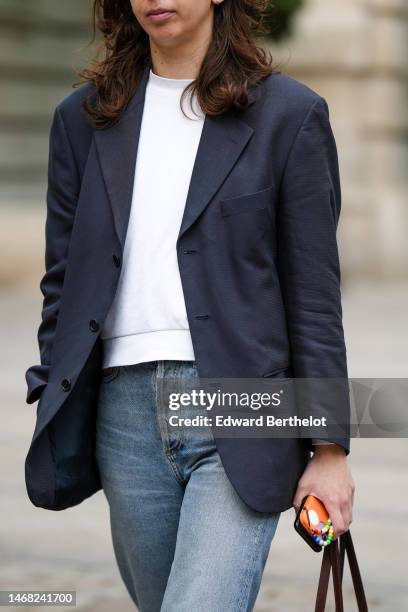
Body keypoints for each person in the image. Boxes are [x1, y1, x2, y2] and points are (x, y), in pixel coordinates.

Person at [24, 1, 355, 610]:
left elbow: (313, 298)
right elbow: (64, 283)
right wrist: (54, 382)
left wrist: (329, 449)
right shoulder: (83, 120)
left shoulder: (290, 115)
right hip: (122, 415)